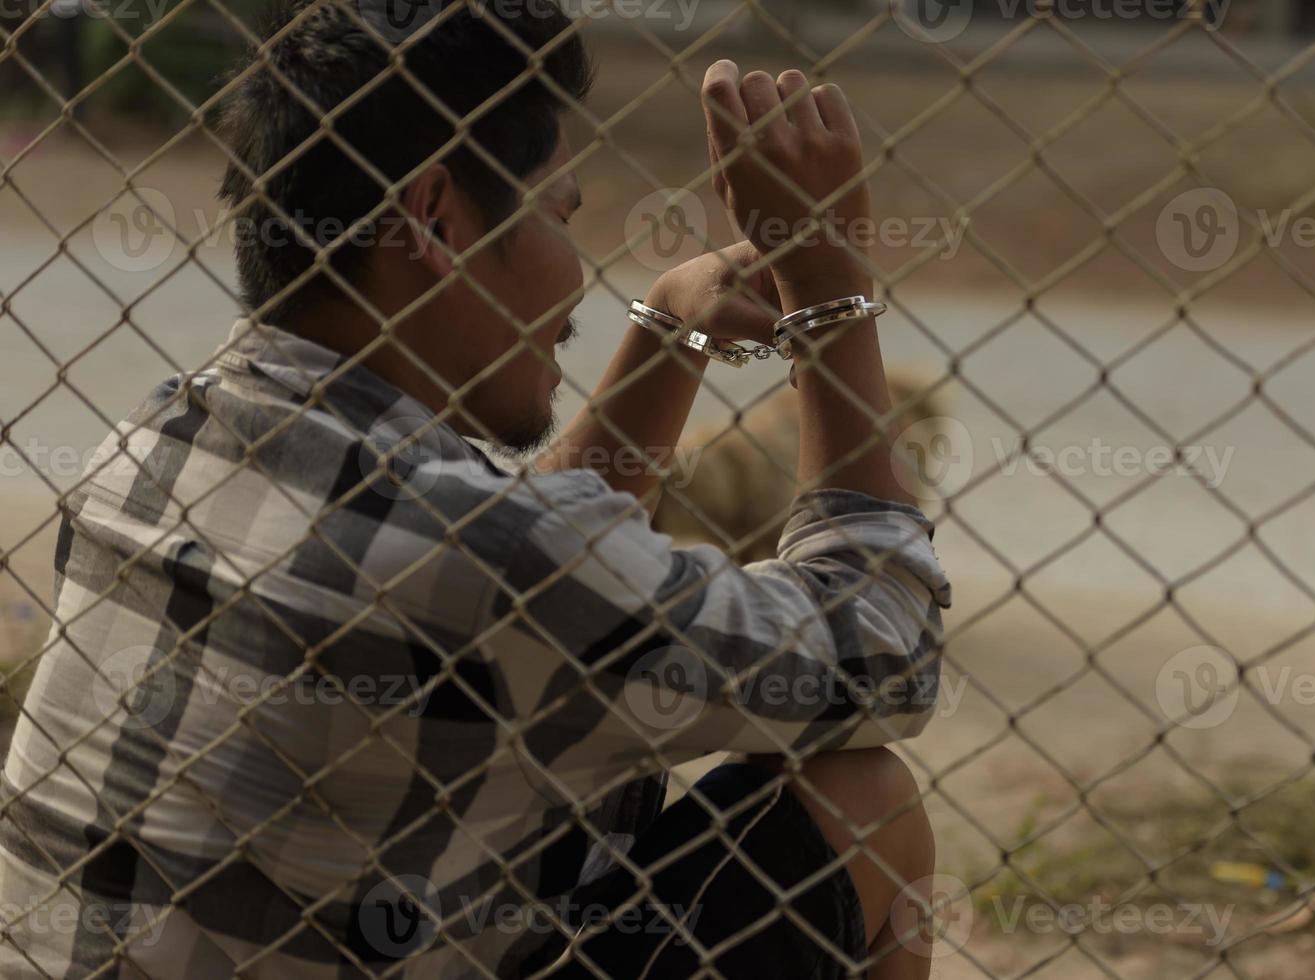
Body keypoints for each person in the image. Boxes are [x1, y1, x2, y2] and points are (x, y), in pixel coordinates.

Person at [0, 2, 951, 977]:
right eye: (559, 214)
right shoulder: (476, 555)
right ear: (435, 217)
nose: (577, 277)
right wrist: (833, 295)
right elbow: (886, 648)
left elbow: (517, 583)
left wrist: (674, 330)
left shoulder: (156, 441)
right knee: (857, 794)